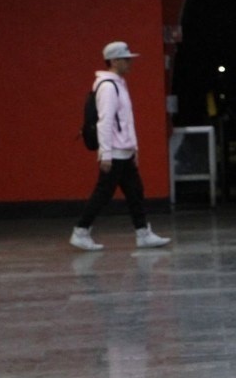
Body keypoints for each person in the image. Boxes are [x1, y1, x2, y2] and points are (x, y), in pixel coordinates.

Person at [69, 41, 171, 251]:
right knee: (104, 193)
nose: (129, 63)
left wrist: (133, 148)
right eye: (126, 59)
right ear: (114, 61)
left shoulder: (118, 84)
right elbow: (105, 121)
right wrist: (105, 153)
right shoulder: (108, 87)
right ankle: (80, 231)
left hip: (123, 150)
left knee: (135, 191)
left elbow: (125, 120)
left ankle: (143, 233)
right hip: (114, 151)